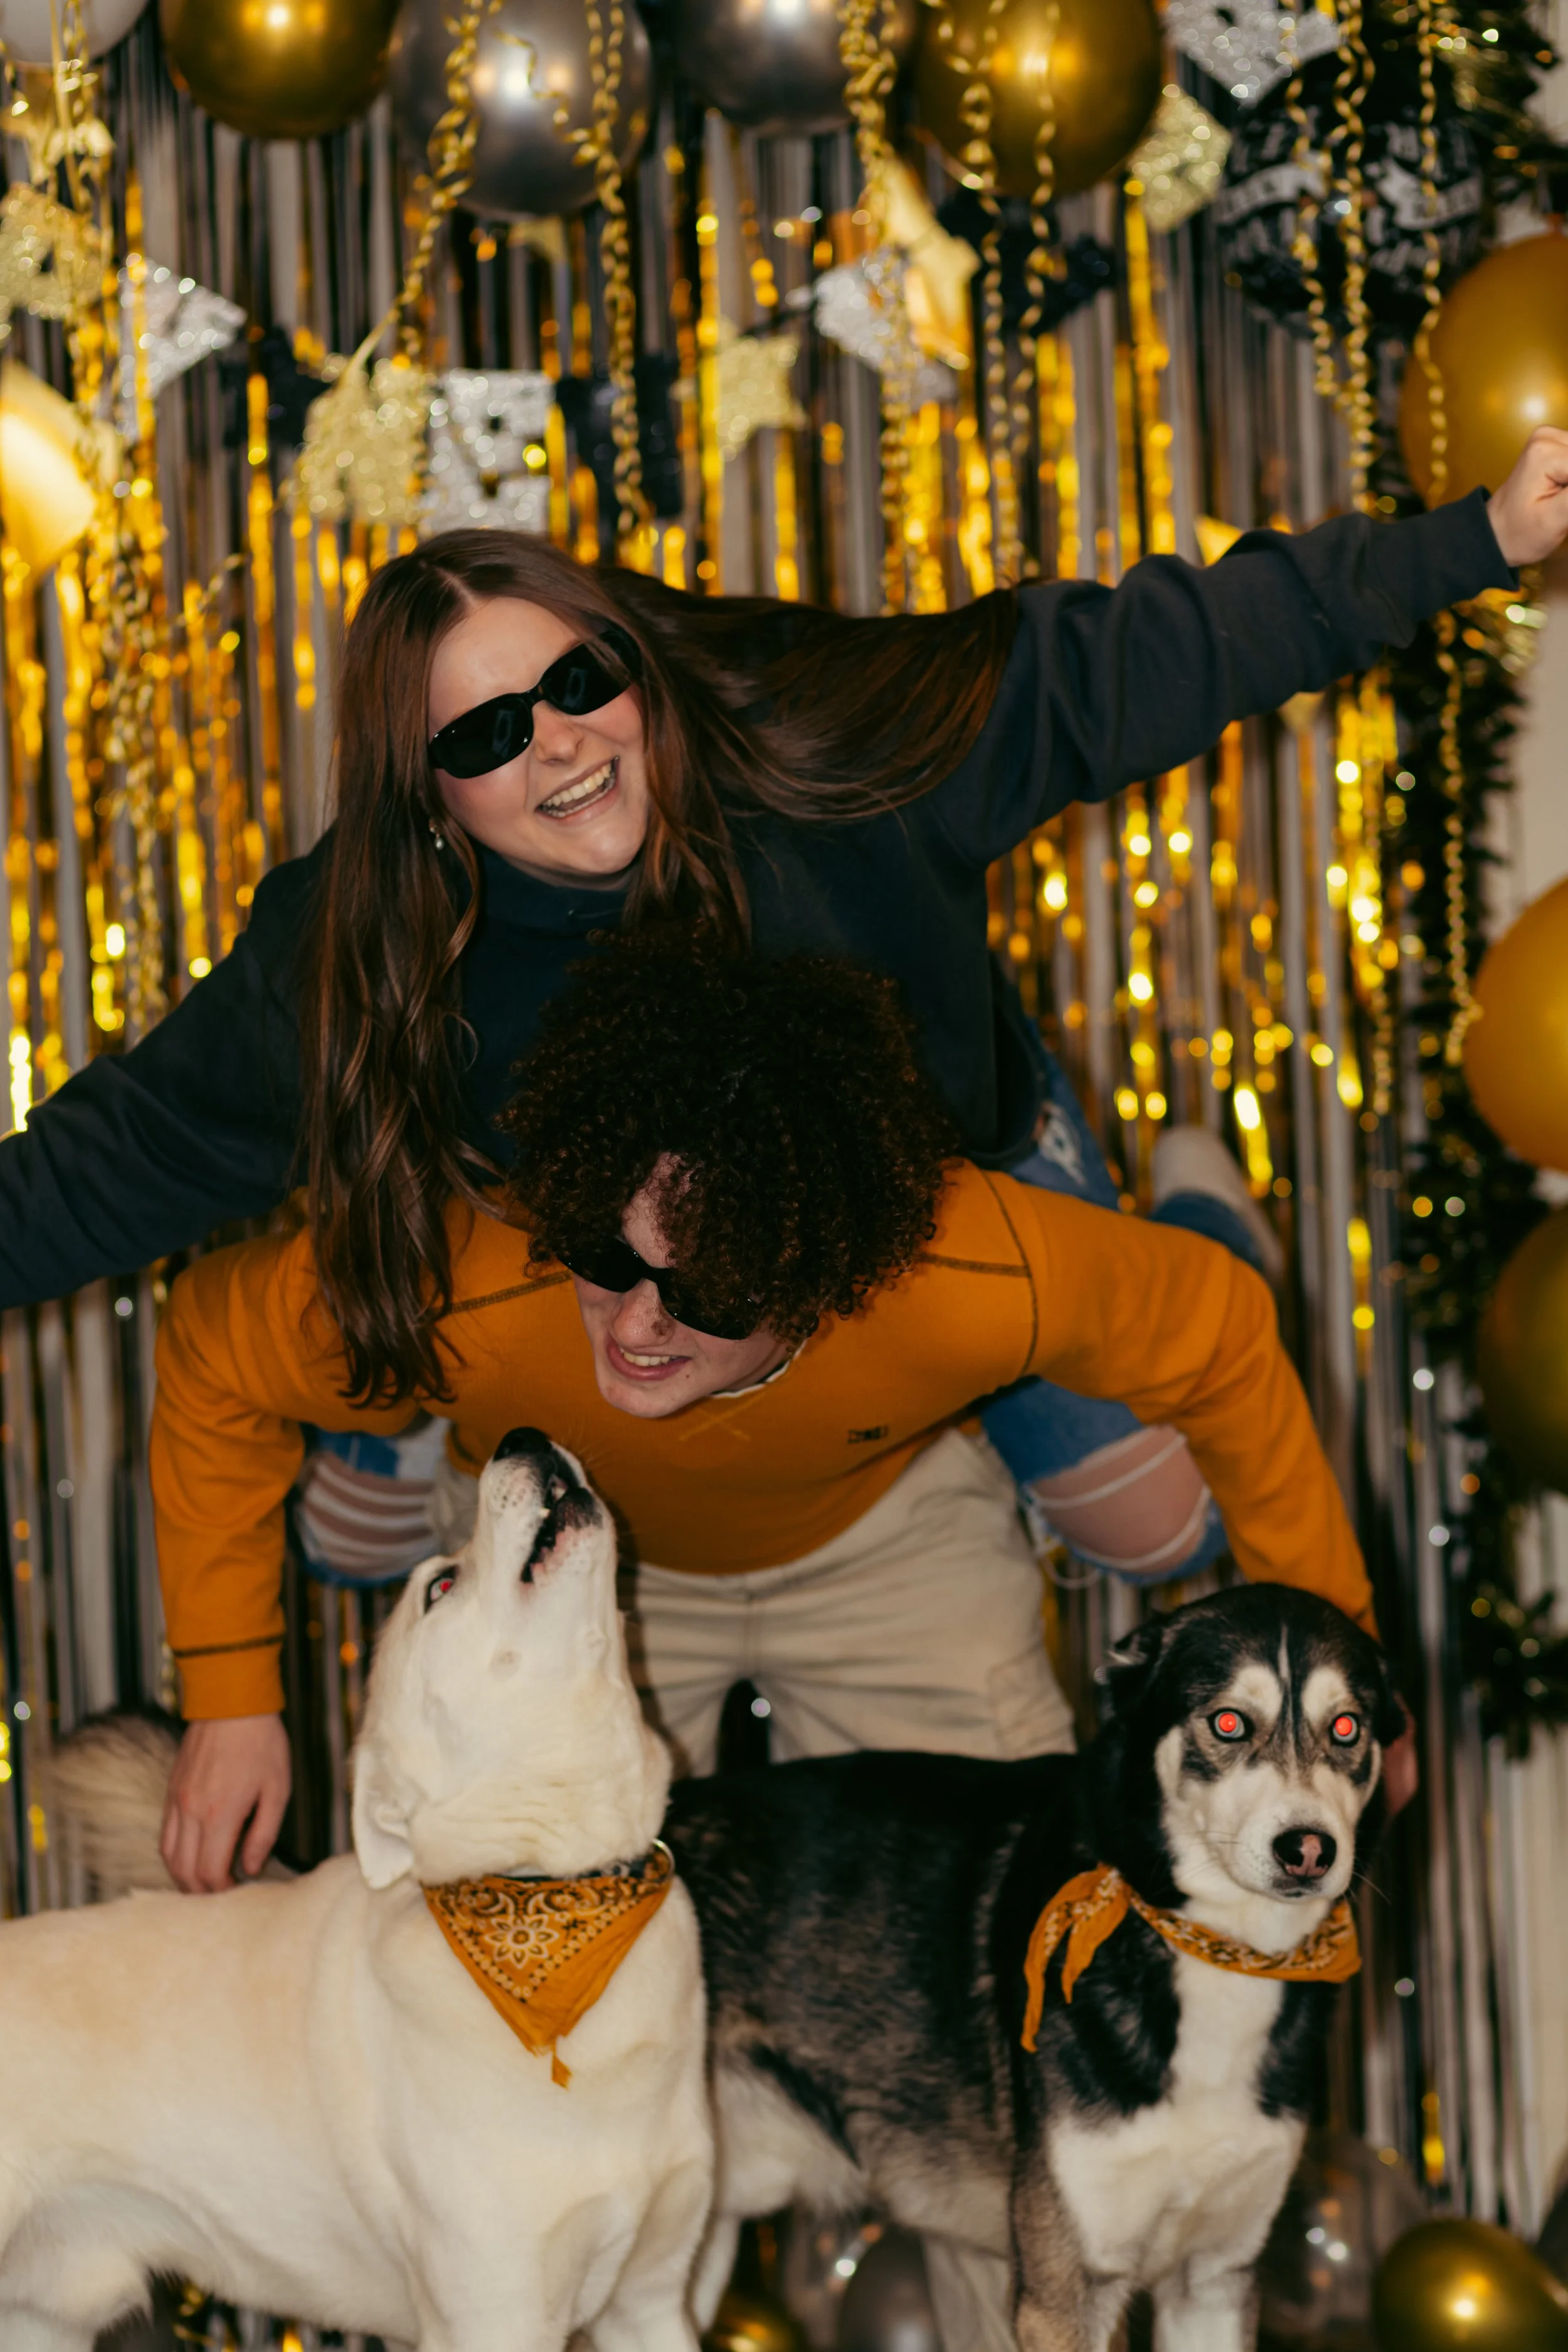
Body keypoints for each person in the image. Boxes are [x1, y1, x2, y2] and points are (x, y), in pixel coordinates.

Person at [9, 435, 1565, 1589]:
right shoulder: (364, 943)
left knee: (1152, 1527)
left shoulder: (823, 747)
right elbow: (130, 1156)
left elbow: (1135, 664)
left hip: (934, 1183)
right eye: (484, 733)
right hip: (626, 1265)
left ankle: (1191, 1211)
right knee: (353, 1544)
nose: (557, 745)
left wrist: (1477, 536)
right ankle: (404, 1420)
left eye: (577, 679)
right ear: (426, 797)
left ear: (634, 662)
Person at [152, 940, 1385, 1902]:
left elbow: (1222, 1333)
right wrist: (227, 1699)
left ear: (822, 1278)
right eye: (605, 1257)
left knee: (1014, 1898)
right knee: (514, 1944)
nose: (635, 1327)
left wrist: (1353, 1703)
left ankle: (1200, 1201)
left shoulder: (964, 1269)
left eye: (711, 1292)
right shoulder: (477, 1277)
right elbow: (212, 1350)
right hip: (585, 1553)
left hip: (887, 1533)